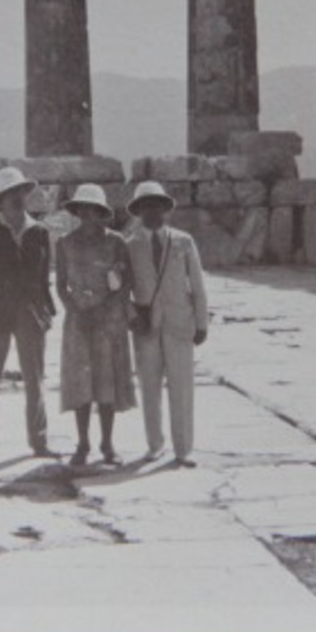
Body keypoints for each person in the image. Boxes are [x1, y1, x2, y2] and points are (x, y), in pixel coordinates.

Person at [0, 166, 57, 462]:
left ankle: (39, 442)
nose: (16, 199)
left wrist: (47, 309)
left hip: (31, 312)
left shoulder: (40, 232)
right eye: (9, 194)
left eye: (19, 192)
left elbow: (44, 278)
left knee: (35, 379)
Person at [123, 181, 209, 468]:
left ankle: (184, 449)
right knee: (149, 387)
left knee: (182, 387)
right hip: (147, 326)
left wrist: (202, 322)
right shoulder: (130, 244)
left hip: (179, 323)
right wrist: (132, 317)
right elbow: (122, 290)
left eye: (157, 204)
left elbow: (197, 283)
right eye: (146, 205)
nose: (152, 210)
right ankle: (154, 444)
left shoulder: (184, 241)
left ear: (165, 208)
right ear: (137, 210)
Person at [55, 184, 137, 468]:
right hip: (77, 321)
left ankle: (107, 443)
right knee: (81, 384)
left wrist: (104, 308)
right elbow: (60, 285)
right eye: (83, 211)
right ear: (77, 212)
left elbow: (126, 283)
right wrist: (75, 309)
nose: (88, 217)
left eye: (94, 212)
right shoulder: (64, 243)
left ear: (103, 214)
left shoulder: (116, 243)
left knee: (106, 382)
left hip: (109, 321)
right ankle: (82, 443)